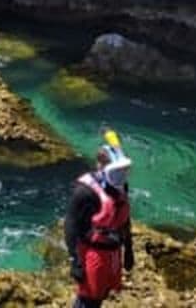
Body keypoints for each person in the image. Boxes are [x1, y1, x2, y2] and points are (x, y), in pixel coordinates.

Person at [64, 130, 134, 307]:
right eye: (117, 173)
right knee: (88, 298)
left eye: (124, 172)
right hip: (93, 253)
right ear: (101, 168)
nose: (122, 177)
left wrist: (129, 249)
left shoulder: (120, 186)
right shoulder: (85, 192)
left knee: (102, 293)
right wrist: (76, 262)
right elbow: (71, 226)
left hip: (113, 251)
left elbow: (124, 218)